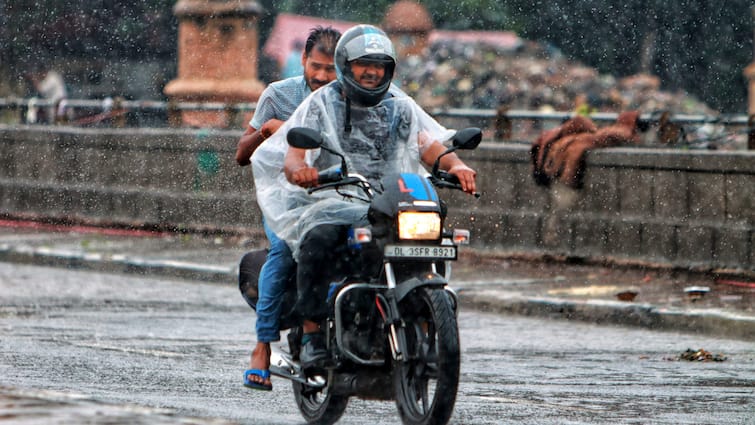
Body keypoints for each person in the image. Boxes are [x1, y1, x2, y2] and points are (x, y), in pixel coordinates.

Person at [251, 25, 477, 369]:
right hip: (333, 197)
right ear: (347, 64)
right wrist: (300, 170)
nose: (372, 71)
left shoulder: (399, 105)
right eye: (363, 63)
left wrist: (456, 165)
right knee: (317, 240)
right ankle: (311, 334)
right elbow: (295, 151)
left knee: (432, 228)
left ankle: (428, 320)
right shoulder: (321, 103)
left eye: (380, 65)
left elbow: (427, 144)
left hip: (387, 198)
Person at [236, 26, 341, 391]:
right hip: (286, 202)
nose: (323, 76)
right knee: (283, 249)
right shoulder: (278, 95)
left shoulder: (349, 100)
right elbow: (240, 155)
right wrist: (267, 131)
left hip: (339, 196)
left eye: (331, 69)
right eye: (317, 67)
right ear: (303, 61)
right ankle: (262, 346)